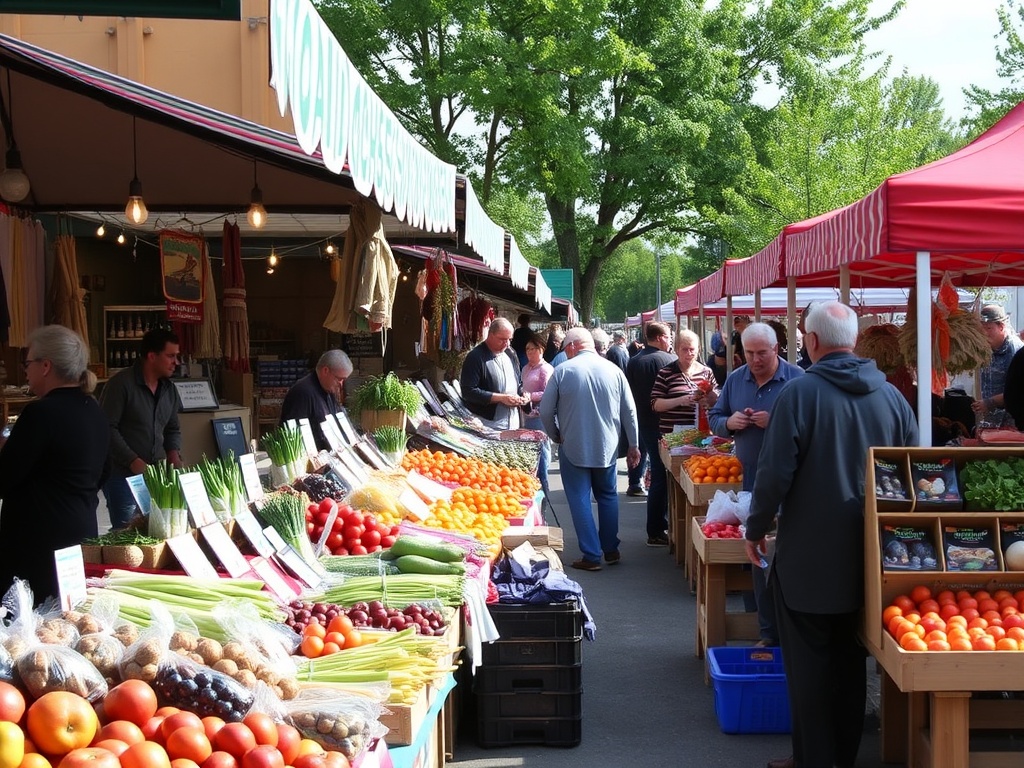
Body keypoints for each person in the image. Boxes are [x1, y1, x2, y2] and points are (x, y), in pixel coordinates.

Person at [744, 301, 918, 768]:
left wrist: (755, 527)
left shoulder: (799, 396)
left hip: (809, 557)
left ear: (812, 342)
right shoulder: (893, 397)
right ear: (855, 340)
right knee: (849, 660)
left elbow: (773, 472)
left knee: (809, 668)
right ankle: (842, 755)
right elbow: (911, 474)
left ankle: (814, 759)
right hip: (877, 554)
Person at [708, 322, 804, 647]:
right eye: (749, 353)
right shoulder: (736, 379)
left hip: (794, 481)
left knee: (789, 554)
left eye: (762, 352)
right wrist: (729, 423)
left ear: (777, 349)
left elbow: (811, 429)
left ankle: (790, 628)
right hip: (751, 477)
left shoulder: (798, 381)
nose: (755, 359)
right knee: (758, 550)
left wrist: (775, 420)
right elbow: (715, 417)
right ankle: (767, 631)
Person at [0, 326, 110, 602]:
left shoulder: (41, 413)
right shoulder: (93, 409)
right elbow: (103, 471)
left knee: (31, 631)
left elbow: (5, 476)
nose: (26, 371)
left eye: (28, 363)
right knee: (68, 621)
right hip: (80, 533)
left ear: (45, 365)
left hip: (37, 544)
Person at [539, 327, 639, 571]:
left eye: (565, 348)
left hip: (573, 445)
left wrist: (555, 436)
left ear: (573, 345)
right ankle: (611, 548)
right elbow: (630, 411)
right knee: (607, 496)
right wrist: (634, 444)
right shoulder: (614, 371)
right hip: (607, 447)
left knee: (579, 498)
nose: (565, 353)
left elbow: (544, 411)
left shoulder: (562, 371)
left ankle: (591, 554)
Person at [99, 327, 183, 529]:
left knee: (152, 528)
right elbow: (106, 428)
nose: (176, 362)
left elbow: (172, 428)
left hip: (154, 474)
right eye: (171, 356)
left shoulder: (169, 390)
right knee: (126, 532)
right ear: (152, 356)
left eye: (177, 356)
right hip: (121, 475)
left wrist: (174, 455)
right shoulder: (120, 385)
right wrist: (132, 460)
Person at [625, 321, 676, 536]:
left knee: (657, 472)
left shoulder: (634, 361)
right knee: (662, 475)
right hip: (666, 424)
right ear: (661, 337)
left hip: (642, 422)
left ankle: (657, 527)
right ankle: (657, 528)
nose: (671, 340)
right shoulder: (669, 361)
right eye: (669, 336)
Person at [279, 349, 353, 452]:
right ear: (325, 371)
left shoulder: (329, 390)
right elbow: (293, 436)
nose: (341, 384)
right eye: (339, 379)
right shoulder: (302, 392)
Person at [460, 317, 527, 429]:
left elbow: (519, 382)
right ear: (490, 335)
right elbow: (468, 391)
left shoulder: (511, 353)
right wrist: (501, 398)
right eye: (502, 339)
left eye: (509, 339)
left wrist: (523, 395)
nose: (506, 344)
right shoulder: (476, 357)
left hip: (513, 421)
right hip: (487, 423)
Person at [972, 304, 1022, 429]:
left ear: (1001, 326)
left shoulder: (1016, 351)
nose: (984, 333)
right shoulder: (985, 350)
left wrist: (989, 403)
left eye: (988, 328)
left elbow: (1018, 392)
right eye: (981, 329)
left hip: (1012, 425)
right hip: (990, 423)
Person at [520, 332, 554, 500]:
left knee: (542, 452)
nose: (530, 352)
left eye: (533, 349)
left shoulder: (546, 369)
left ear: (541, 349)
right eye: (527, 349)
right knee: (531, 452)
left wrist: (530, 396)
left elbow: (548, 391)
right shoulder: (526, 368)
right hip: (526, 414)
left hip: (540, 416)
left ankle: (544, 487)